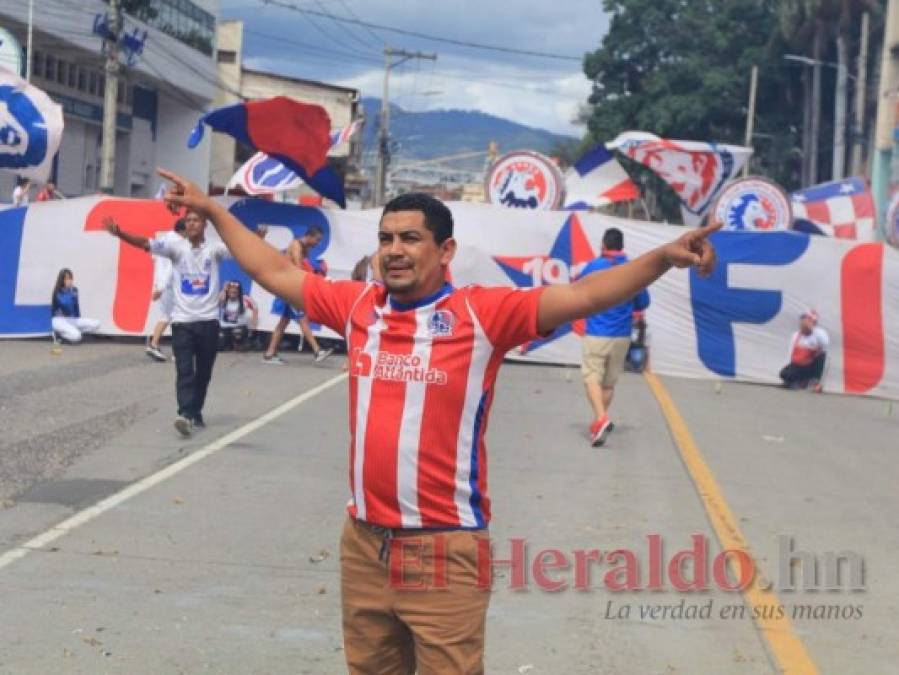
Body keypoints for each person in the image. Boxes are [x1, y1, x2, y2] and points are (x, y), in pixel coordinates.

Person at [155, 168, 719, 674]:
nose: (393, 251)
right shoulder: (357, 308)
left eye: (410, 238)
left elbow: (582, 295)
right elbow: (273, 270)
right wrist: (212, 210)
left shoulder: (482, 314)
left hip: (444, 552)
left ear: (445, 250)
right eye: (385, 239)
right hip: (364, 545)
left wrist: (662, 259)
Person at [104, 210, 235, 437]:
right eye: (189, 221)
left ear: (204, 225)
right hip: (182, 322)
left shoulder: (215, 249)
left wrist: (259, 240)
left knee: (203, 373)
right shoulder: (175, 247)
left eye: (196, 220)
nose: (192, 224)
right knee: (184, 370)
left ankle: (195, 412)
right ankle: (184, 414)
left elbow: (240, 251)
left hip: (209, 322)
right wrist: (120, 234)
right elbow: (146, 243)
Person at [578, 227, 650, 447]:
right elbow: (643, 302)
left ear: (604, 245)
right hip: (622, 336)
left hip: (597, 333)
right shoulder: (632, 270)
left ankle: (601, 418)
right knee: (608, 384)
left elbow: (577, 290)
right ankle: (600, 424)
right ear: (622, 246)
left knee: (591, 378)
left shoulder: (594, 267)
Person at [262, 225, 334, 365]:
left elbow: (305, 267)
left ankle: (269, 354)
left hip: (289, 286)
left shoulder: (306, 248)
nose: (318, 243)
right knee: (303, 319)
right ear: (310, 236)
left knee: (284, 321)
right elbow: (298, 267)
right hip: (289, 287)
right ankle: (317, 351)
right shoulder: (296, 245)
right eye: (317, 240)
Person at [145, 218, 187, 362]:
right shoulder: (178, 243)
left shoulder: (163, 239)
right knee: (172, 316)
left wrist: (158, 285)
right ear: (183, 230)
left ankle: (156, 344)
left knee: (168, 315)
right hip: (170, 285)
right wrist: (162, 287)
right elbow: (170, 267)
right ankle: (155, 344)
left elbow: (155, 260)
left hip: (162, 284)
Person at [779, 309, 828, 392]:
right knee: (783, 373)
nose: (803, 323)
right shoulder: (796, 335)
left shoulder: (819, 333)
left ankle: (814, 382)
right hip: (799, 364)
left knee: (822, 354)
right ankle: (798, 381)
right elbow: (791, 352)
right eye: (803, 320)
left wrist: (812, 329)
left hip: (811, 365)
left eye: (806, 320)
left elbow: (825, 344)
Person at [51, 268, 101, 343]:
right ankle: (60, 335)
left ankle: (71, 331)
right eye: (66, 279)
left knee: (97, 324)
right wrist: (70, 293)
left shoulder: (74, 290)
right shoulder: (58, 292)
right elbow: (66, 307)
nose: (69, 281)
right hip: (58, 320)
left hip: (70, 319)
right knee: (76, 337)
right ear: (62, 280)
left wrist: (78, 320)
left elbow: (75, 307)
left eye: (70, 278)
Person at [218, 280, 258, 351]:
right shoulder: (224, 298)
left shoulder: (245, 298)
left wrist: (253, 325)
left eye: (235, 291)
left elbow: (255, 308)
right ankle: (228, 344)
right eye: (231, 291)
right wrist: (224, 289)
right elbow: (217, 301)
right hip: (224, 327)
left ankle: (238, 344)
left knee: (238, 335)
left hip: (238, 327)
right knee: (220, 346)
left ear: (239, 291)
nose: (233, 292)